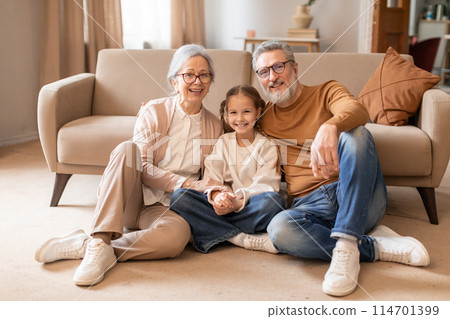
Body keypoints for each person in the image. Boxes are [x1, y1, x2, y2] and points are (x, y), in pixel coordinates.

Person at [35, 44, 224, 286]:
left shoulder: (214, 126)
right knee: (128, 149)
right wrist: (187, 183)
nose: (196, 81)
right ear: (174, 80)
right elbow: (142, 167)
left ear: (210, 82)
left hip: (166, 208)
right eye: (188, 74)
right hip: (132, 198)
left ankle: (90, 246)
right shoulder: (154, 111)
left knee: (177, 239)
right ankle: (101, 236)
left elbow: (209, 176)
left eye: (204, 75)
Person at [252, 40, 430, 297]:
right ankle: (373, 246)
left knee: (355, 135)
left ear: (295, 67)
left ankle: (346, 247)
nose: (273, 77)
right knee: (280, 229)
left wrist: (331, 126)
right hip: (310, 206)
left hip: (358, 194)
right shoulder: (263, 117)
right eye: (264, 72)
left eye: (278, 67)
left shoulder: (326, 91)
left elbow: (357, 110)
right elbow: (232, 130)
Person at [170, 84, 285, 254]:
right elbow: (211, 177)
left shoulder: (266, 146)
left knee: (274, 202)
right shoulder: (223, 142)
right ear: (226, 115)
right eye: (233, 112)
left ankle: (212, 231)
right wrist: (218, 196)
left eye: (246, 111)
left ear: (258, 112)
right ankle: (239, 238)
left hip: (248, 207)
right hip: (222, 207)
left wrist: (237, 202)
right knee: (180, 197)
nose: (240, 118)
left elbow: (266, 185)